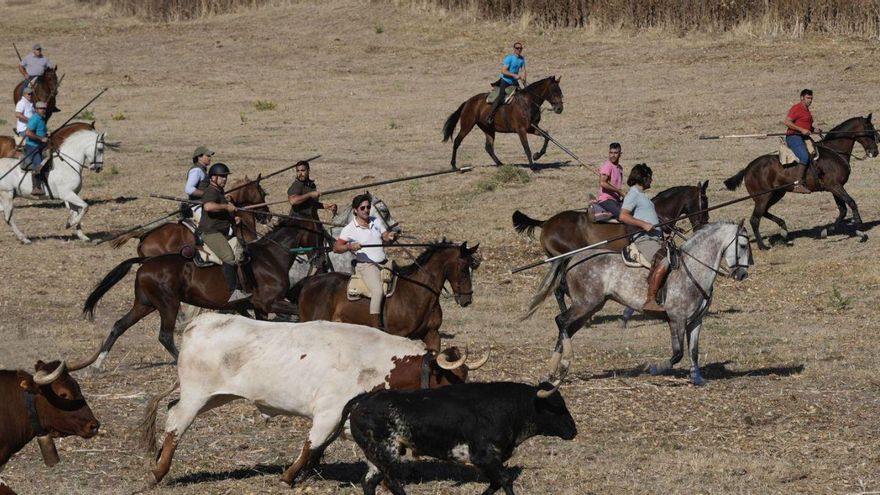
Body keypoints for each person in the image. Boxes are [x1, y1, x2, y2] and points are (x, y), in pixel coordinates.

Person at [333, 193, 398, 328]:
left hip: (383, 262)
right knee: (378, 291)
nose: (366, 210)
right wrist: (350, 246)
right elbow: (336, 247)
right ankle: (376, 326)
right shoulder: (350, 229)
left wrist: (389, 236)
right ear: (355, 210)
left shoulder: (375, 221)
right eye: (362, 208)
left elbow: (384, 235)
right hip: (367, 266)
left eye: (368, 207)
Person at [199, 162, 251, 303]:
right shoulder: (211, 191)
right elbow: (209, 207)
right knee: (229, 256)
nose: (224, 179)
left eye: (225, 177)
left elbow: (221, 213)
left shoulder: (219, 192)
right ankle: (234, 292)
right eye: (221, 177)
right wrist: (227, 207)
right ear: (213, 178)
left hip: (221, 233)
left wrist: (234, 219)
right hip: (211, 233)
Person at [619, 164, 667, 315]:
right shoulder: (633, 194)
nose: (651, 180)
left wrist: (662, 232)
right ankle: (650, 300)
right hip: (644, 240)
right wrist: (643, 224)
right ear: (643, 177)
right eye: (650, 177)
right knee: (664, 261)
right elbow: (623, 216)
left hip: (655, 238)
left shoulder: (642, 195)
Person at [784, 89, 822, 194]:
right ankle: (798, 184)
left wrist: (814, 130)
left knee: (816, 152)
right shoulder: (796, 108)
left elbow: (806, 125)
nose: (810, 100)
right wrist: (802, 130)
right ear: (802, 98)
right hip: (793, 137)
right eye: (808, 98)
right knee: (804, 156)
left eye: (811, 98)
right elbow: (787, 122)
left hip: (803, 137)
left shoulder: (807, 111)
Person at [486, 42, 527, 125]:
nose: (519, 49)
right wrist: (514, 75)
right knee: (501, 97)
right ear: (514, 49)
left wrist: (524, 80)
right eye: (517, 48)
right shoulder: (509, 58)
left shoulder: (522, 59)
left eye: (520, 48)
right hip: (505, 81)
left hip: (514, 82)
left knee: (522, 97)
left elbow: (524, 70)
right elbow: (503, 71)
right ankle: (490, 116)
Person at [24, 101, 50, 196]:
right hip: (32, 146)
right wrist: (41, 138)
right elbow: (28, 133)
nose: (44, 110)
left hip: (41, 145)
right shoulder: (35, 119)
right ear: (36, 109)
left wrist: (46, 135)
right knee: (38, 165)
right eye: (41, 108)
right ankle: (36, 187)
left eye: (44, 108)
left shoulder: (41, 118)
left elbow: (40, 131)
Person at [595, 142, 626, 219]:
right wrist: (619, 191)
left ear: (620, 154)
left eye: (615, 153)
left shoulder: (620, 168)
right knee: (624, 216)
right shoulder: (608, 166)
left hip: (615, 200)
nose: (613, 155)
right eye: (611, 153)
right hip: (606, 200)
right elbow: (602, 183)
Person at [183, 145, 214, 221]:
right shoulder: (197, 170)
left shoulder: (202, 170)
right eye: (207, 156)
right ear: (199, 157)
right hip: (197, 206)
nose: (210, 158)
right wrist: (207, 194)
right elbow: (189, 189)